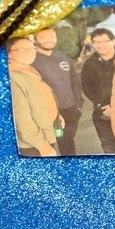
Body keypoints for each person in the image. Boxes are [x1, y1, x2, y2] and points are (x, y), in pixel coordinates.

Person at [30, 27, 83, 155]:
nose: (49, 40)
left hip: (70, 109)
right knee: (51, 144)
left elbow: (74, 81)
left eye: (52, 37)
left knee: (67, 141)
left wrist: (79, 105)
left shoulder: (63, 56)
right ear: (35, 39)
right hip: (49, 112)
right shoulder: (31, 60)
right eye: (43, 37)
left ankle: (69, 167)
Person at [6, 36, 62, 157]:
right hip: (34, 145)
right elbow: (22, 120)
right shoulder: (12, 78)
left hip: (46, 134)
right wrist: (42, 146)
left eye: (32, 48)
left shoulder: (29, 70)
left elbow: (41, 99)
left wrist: (57, 115)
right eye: (23, 49)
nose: (30, 52)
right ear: (9, 54)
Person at [80, 27, 115, 153]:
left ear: (113, 41)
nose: (101, 45)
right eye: (96, 42)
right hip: (102, 112)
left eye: (105, 41)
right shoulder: (90, 64)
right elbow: (87, 86)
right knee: (108, 145)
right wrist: (101, 105)